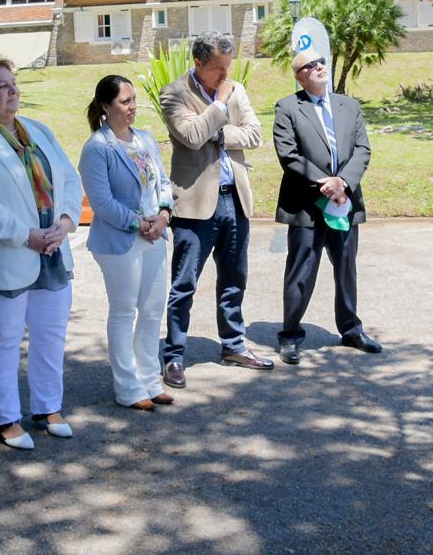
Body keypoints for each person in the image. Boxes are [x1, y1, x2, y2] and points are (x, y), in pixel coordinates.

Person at [0, 58, 83, 450]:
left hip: (51, 250)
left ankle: (48, 408)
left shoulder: (38, 131)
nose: (13, 91)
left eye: (14, 83)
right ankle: (6, 419)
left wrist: (65, 222)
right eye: (2, 86)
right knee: (2, 339)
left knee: (51, 334)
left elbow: (69, 179)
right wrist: (26, 236)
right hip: (2, 256)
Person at [159, 31, 269, 389]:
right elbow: (189, 136)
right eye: (218, 69)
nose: (225, 76)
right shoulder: (174, 93)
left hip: (234, 197)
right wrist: (220, 107)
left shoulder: (236, 89)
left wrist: (219, 134)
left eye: (228, 68)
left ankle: (233, 345)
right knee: (184, 283)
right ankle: (174, 355)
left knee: (235, 278)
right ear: (198, 63)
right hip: (194, 203)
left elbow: (254, 134)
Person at [272, 50, 378, 365]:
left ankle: (351, 329)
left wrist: (342, 182)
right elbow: (288, 155)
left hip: (344, 202)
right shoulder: (288, 107)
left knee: (346, 268)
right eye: (310, 65)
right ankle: (290, 334)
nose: (319, 67)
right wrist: (324, 183)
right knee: (301, 270)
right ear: (299, 75)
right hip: (306, 205)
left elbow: (363, 149)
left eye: (321, 62)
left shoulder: (349, 106)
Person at [79, 75, 176, 411]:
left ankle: (150, 380)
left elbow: (164, 183)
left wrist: (162, 216)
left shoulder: (146, 140)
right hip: (121, 241)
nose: (132, 107)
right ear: (105, 106)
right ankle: (129, 388)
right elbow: (101, 203)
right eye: (124, 101)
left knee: (151, 311)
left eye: (134, 99)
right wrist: (139, 223)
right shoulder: (97, 149)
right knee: (124, 312)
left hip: (154, 236)